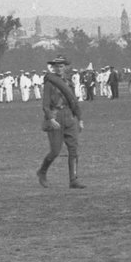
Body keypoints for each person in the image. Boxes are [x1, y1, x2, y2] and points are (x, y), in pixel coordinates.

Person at [36, 55, 85, 188]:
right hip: (56, 117)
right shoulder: (49, 83)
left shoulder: (69, 83)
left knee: (73, 149)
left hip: (69, 116)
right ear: (53, 68)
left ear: (65, 67)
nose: (59, 69)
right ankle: (42, 171)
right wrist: (50, 118)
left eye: (61, 66)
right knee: (55, 151)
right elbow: (45, 105)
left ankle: (73, 179)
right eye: (56, 66)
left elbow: (74, 102)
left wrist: (79, 119)